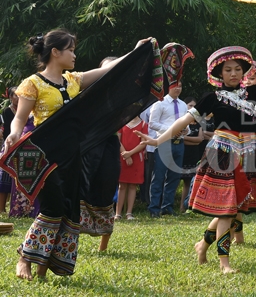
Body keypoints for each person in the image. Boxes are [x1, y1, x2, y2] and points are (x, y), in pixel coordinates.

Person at [136, 30, 256, 273]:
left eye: (237, 69)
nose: (234, 73)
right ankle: (224, 263)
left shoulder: (254, 92)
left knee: (232, 209)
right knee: (228, 211)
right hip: (223, 154)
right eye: (228, 70)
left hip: (247, 154)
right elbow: (183, 122)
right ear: (219, 73)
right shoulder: (212, 98)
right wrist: (156, 140)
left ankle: (202, 245)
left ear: (243, 71)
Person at [3, 30, 151, 280]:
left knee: (70, 209)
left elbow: (108, 71)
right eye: (70, 49)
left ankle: (43, 268)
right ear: (55, 52)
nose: (74, 54)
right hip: (46, 155)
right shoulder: (33, 83)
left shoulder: (73, 80)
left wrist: (135, 51)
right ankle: (24, 258)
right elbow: (20, 118)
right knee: (52, 207)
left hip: (73, 154)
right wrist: (14, 134)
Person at [79, 56, 123, 252]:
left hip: (109, 145)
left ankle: (103, 246)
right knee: (80, 190)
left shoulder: (123, 94)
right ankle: (71, 241)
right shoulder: (87, 90)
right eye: (107, 68)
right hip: (87, 145)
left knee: (107, 188)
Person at [148, 81, 187, 217]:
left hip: (179, 143)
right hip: (164, 142)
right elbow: (152, 124)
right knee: (159, 176)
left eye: (180, 86)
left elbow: (186, 125)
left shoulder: (183, 104)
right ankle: (154, 208)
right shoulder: (160, 103)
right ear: (167, 87)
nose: (178, 88)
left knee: (174, 176)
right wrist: (171, 130)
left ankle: (167, 207)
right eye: (175, 85)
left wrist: (184, 130)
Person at [115, 115, 148, 221]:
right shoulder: (122, 122)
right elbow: (117, 140)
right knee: (122, 185)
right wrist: (125, 154)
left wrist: (130, 153)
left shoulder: (143, 124)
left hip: (137, 157)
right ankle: (118, 213)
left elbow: (143, 143)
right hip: (122, 157)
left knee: (133, 186)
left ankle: (129, 213)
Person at [179, 97, 204, 213]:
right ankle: (174, 206)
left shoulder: (199, 124)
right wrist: (187, 139)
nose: (192, 108)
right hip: (183, 153)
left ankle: (186, 206)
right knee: (175, 180)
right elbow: (180, 139)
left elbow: (200, 139)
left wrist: (185, 138)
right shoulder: (182, 123)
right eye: (190, 105)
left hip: (194, 154)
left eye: (194, 106)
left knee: (189, 182)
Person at [0, 87, 18, 213]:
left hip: (24, 146)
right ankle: (1, 209)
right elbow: (6, 130)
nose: (18, 97)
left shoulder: (29, 110)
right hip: (9, 145)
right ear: (10, 97)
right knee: (5, 177)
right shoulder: (7, 111)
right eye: (15, 95)